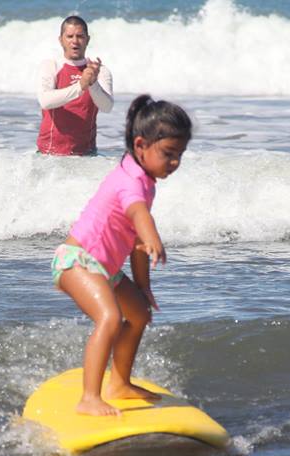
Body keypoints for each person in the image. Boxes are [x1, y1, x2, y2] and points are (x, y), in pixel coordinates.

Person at [51, 94, 192, 416]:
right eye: (168, 154)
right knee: (111, 318)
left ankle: (119, 383)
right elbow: (138, 214)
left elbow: (135, 245)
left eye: (180, 155)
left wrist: (143, 288)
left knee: (139, 314)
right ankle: (89, 397)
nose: (175, 163)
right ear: (140, 145)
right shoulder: (131, 183)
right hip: (77, 260)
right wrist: (152, 234)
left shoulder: (144, 179)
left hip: (105, 268)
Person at [36, 15, 113, 155]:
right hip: (48, 156)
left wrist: (93, 83)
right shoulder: (50, 66)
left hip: (86, 156)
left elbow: (107, 106)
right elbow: (45, 101)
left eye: (80, 36)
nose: (75, 41)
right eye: (69, 36)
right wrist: (80, 86)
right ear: (61, 40)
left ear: (87, 39)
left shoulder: (100, 71)